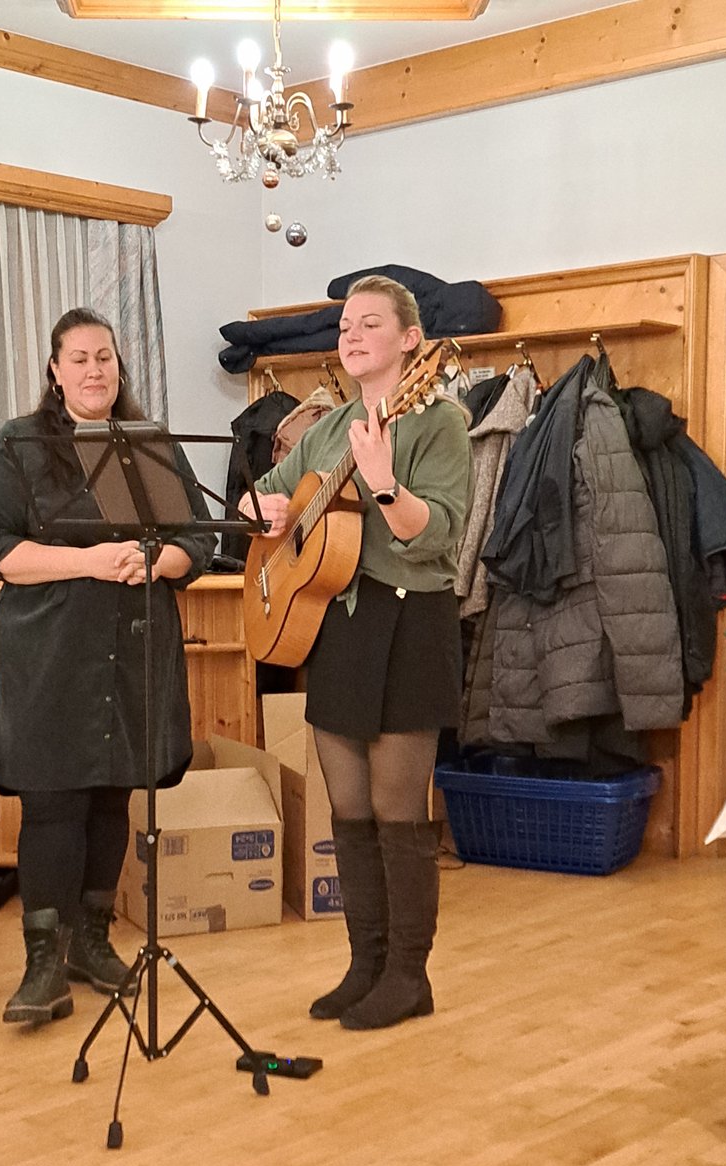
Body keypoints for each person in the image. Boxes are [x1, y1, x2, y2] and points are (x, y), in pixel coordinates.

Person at [0, 308, 215, 1025]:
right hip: (48, 654)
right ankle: (41, 964)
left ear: (119, 365)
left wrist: (157, 558)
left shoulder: (150, 444)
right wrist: (88, 562)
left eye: (104, 356)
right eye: (78, 358)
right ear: (54, 369)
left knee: (113, 795)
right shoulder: (18, 445)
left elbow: (197, 539)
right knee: (54, 802)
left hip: (133, 646)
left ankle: (91, 943)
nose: (93, 370)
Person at [241, 276, 472, 1030]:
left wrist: (379, 483)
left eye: (370, 323)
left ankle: (409, 974)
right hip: (334, 623)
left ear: (410, 340)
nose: (351, 333)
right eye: (345, 324)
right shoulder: (324, 424)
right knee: (345, 809)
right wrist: (265, 508)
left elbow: (433, 532)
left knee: (396, 808)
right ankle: (363, 963)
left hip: (410, 623)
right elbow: (262, 497)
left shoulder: (438, 420)